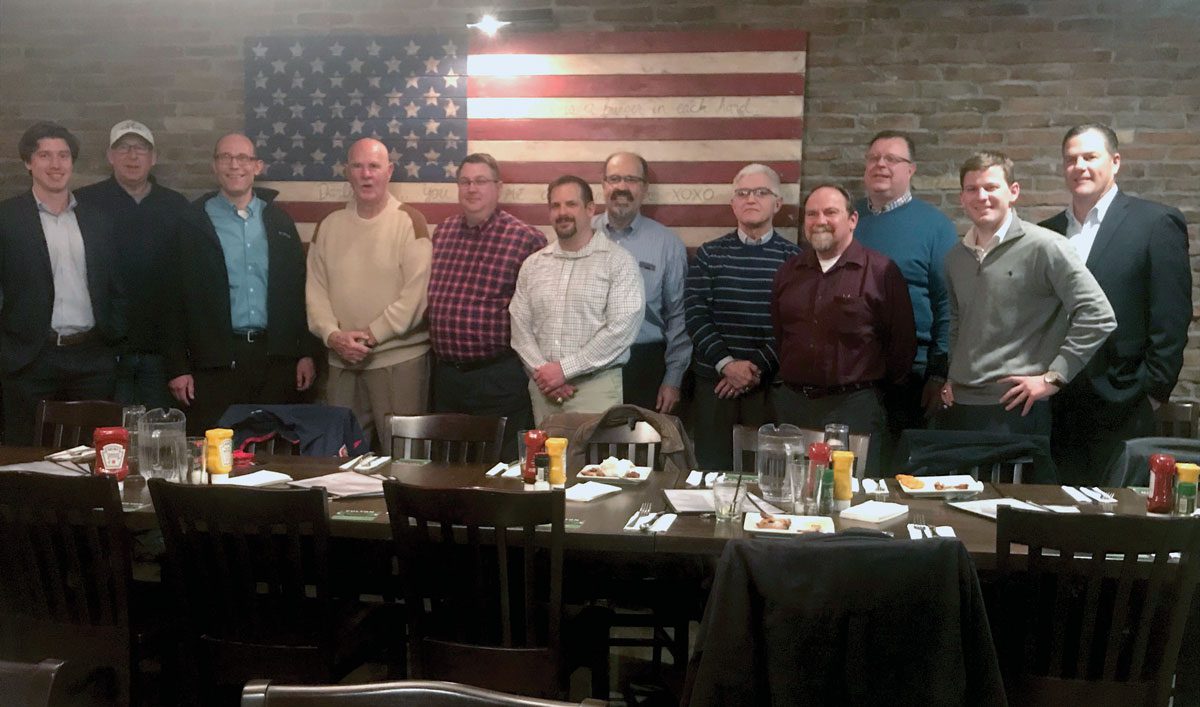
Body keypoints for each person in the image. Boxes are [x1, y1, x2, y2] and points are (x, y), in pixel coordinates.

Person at [1039, 124, 1192, 485]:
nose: (1080, 166)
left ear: (1116, 161)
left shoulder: (1155, 223)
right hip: (1057, 402)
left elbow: (1171, 316)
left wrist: (1153, 391)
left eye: (1090, 157)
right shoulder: (1047, 232)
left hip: (1125, 401)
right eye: (1071, 159)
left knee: (1116, 524)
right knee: (1057, 522)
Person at [939, 151, 1115, 437]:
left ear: (1013, 192)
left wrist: (1054, 376)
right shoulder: (956, 258)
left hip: (1017, 408)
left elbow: (1099, 314)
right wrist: (952, 376)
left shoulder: (1046, 247)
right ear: (962, 198)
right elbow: (958, 324)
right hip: (961, 405)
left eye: (991, 187)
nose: (981, 196)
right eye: (972, 189)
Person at [165, 133, 317, 435]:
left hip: (275, 361)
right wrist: (178, 367)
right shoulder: (192, 222)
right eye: (225, 157)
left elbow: (300, 292)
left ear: (257, 166)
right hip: (214, 365)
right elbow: (172, 298)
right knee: (215, 456)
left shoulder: (279, 222)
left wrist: (306, 352)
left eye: (243, 158)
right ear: (214, 166)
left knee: (273, 452)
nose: (235, 165)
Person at [772, 184, 916, 477]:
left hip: (854, 409)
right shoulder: (789, 271)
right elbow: (780, 332)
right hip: (793, 407)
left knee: (852, 502)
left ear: (852, 220)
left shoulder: (881, 271)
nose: (819, 220)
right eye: (812, 214)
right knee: (789, 498)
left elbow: (902, 344)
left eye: (830, 212)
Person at [0, 121, 125, 445]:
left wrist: (113, 340)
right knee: (26, 458)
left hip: (91, 357)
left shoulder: (98, 219)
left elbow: (116, 284)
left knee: (90, 458)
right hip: (30, 357)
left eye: (63, 156)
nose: (55, 165)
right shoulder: (8, 219)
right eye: (45, 155)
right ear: (29, 162)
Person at [306, 138, 432, 451]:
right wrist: (334, 337)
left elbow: (415, 296)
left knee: (404, 460)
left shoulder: (409, 222)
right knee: (339, 458)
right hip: (341, 361)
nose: (366, 174)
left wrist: (370, 337)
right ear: (347, 172)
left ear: (389, 171)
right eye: (358, 166)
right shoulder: (328, 225)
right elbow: (316, 293)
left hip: (399, 363)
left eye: (374, 166)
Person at [428, 153, 545, 459]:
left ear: (498, 187)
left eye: (481, 181)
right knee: (449, 469)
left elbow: (539, 313)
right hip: (447, 378)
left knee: (501, 470)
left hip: (498, 377)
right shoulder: (442, 233)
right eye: (465, 181)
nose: (472, 188)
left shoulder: (525, 239)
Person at [684, 164, 801, 470]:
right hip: (715, 386)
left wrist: (755, 368)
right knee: (711, 477)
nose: (751, 199)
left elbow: (794, 324)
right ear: (733, 203)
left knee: (767, 477)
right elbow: (696, 315)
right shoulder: (710, 255)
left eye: (762, 192)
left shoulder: (794, 260)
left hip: (768, 387)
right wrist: (728, 365)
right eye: (743, 193)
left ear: (777, 203)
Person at [853, 131, 957, 462]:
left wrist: (939, 373)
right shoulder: (846, 218)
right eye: (874, 158)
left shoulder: (935, 226)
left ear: (911, 169)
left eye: (892, 159)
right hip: (851, 375)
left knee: (899, 472)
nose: (880, 164)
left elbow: (947, 304)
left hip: (913, 375)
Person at [509, 175, 644, 424]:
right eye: (555, 206)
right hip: (543, 391)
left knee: (596, 464)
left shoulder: (618, 261)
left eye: (571, 204)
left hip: (595, 389)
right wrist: (544, 373)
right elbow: (519, 326)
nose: (563, 213)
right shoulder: (534, 265)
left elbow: (621, 329)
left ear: (590, 209)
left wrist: (564, 370)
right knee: (545, 463)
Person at [76, 119, 189, 410]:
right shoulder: (85, 203)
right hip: (102, 352)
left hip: (160, 352)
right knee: (106, 439)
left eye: (140, 148)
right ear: (109, 156)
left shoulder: (176, 206)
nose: (133, 155)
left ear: (154, 158)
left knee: (158, 438)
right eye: (123, 148)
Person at [592, 152, 690, 414]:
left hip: (645, 367)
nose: (621, 187)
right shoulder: (582, 236)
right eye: (614, 179)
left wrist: (673, 378)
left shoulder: (667, 245)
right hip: (588, 364)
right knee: (587, 448)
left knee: (643, 451)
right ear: (603, 185)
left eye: (631, 179)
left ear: (645, 188)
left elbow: (678, 317)